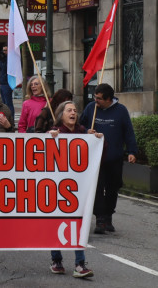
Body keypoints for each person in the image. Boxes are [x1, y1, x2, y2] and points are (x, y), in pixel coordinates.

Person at [49, 100, 101, 278]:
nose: (73, 113)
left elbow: (100, 153)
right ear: (61, 114)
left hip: (79, 189)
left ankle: (80, 263)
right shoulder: (54, 133)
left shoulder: (84, 132)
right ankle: (56, 260)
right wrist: (49, 138)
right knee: (57, 223)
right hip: (57, 188)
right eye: (69, 110)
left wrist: (96, 140)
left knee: (79, 224)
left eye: (75, 110)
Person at [79, 83, 138, 234]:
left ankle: (108, 216)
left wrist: (132, 151)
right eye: (95, 97)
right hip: (95, 158)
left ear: (109, 99)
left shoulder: (121, 111)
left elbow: (128, 132)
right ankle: (100, 219)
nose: (95, 100)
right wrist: (86, 131)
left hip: (114, 157)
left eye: (99, 98)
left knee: (113, 188)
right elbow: (79, 126)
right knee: (97, 189)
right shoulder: (91, 108)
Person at [0, 46, 14, 116]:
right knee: (4, 103)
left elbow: (4, 67)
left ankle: (11, 118)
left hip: (6, 84)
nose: (4, 52)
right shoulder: (5, 58)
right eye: (3, 50)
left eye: (5, 50)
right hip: (3, 83)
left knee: (8, 103)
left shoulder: (10, 59)